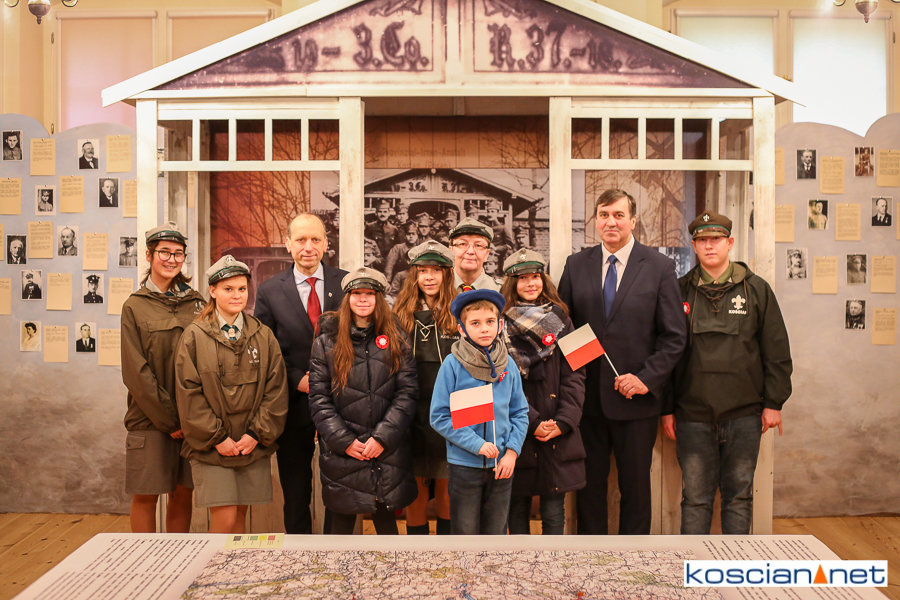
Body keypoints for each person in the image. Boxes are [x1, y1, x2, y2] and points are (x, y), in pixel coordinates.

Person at [558, 189, 686, 535]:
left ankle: (635, 556)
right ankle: (592, 555)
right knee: (589, 489)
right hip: (587, 402)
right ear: (596, 221)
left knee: (636, 489)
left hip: (636, 401)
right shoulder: (576, 265)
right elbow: (564, 329)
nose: (610, 222)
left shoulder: (659, 267)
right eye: (603, 215)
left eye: (618, 215)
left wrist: (646, 378)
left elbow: (675, 336)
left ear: (633, 220)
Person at [662, 211, 792, 535]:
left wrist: (773, 403)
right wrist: (666, 408)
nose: (710, 246)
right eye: (702, 240)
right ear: (694, 245)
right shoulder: (678, 292)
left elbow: (776, 351)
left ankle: (734, 564)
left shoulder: (757, 290)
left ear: (730, 243)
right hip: (692, 416)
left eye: (716, 239)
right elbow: (666, 355)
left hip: (744, 416)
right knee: (695, 499)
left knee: (739, 498)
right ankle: (693, 564)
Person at [175, 255, 288, 534]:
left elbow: (276, 390)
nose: (237, 295)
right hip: (213, 447)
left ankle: (233, 566)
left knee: (239, 518)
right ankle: (214, 565)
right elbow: (189, 394)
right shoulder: (194, 336)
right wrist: (217, 438)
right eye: (228, 289)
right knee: (224, 520)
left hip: (250, 445)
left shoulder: (263, 335)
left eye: (242, 289)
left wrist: (256, 434)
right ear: (212, 291)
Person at [254, 213, 348, 534]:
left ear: (326, 243)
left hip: (341, 403)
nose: (308, 247)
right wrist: (297, 379)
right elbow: (266, 350)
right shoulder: (269, 291)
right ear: (288, 244)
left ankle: (336, 550)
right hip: (293, 404)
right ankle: (299, 550)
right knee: (296, 494)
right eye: (301, 240)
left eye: (315, 239)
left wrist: (332, 380)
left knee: (340, 489)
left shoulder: (346, 284)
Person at [308, 268, 418, 534]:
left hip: (386, 451)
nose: (363, 299)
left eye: (370, 293)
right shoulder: (326, 342)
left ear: (379, 298)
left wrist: (381, 438)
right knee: (340, 530)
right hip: (343, 452)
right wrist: (345, 442)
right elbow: (319, 399)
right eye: (357, 293)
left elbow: (407, 393)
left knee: (387, 530)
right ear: (348, 298)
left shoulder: (397, 338)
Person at [120, 222, 205, 533]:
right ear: (149, 255)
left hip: (192, 420)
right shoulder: (134, 306)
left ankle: (176, 556)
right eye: (164, 252)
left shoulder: (197, 303)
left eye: (178, 253)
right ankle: (146, 558)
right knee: (146, 494)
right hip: (151, 419)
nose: (171, 259)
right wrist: (170, 420)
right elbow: (135, 372)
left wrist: (191, 417)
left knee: (183, 492)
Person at [501, 249, 586, 535]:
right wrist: (532, 422)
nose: (530, 283)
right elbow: (502, 382)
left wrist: (564, 421)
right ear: (512, 283)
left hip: (557, 429)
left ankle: (554, 561)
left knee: (553, 510)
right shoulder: (498, 323)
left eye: (535, 277)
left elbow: (576, 374)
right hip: (518, 427)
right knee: (517, 507)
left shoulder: (563, 319)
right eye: (522, 278)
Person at [430, 289, 529, 535]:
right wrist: (477, 445)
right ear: (462, 329)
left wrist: (512, 452)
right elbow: (440, 416)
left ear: (500, 325)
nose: (484, 329)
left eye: (490, 322)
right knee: (465, 535)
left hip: (501, 466)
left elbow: (520, 413)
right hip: (465, 467)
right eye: (475, 323)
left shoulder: (509, 364)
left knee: (495, 535)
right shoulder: (452, 365)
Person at [393, 240, 459, 535]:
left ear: (446, 274)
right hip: (412, 413)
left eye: (436, 270)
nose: (429, 277)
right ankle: (416, 551)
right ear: (414, 275)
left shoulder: (458, 312)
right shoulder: (399, 313)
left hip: (450, 413)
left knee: (447, 488)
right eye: (422, 271)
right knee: (416, 489)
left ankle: (446, 552)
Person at [449, 218, 500, 292]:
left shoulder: (500, 291)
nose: (470, 251)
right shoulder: (437, 288)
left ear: (487, 254)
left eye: (478, 245)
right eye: (462, 244)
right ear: (451, 250)